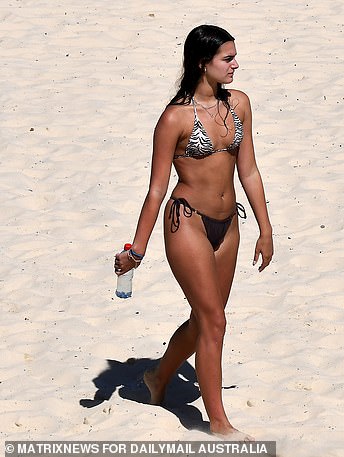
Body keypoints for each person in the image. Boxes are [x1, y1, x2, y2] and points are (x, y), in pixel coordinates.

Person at [113, 24, 273, 439]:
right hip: (187, 222)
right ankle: (218, 422)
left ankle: (157, 377)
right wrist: (137, 250)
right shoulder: (175, 118)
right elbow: (155, 190)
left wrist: (266, 227)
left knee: (204, 321)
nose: (236, 64)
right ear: (203, 63)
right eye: (227, 58)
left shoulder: (239, 103)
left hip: (229, 223)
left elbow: (249, 169)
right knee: (214, 321)